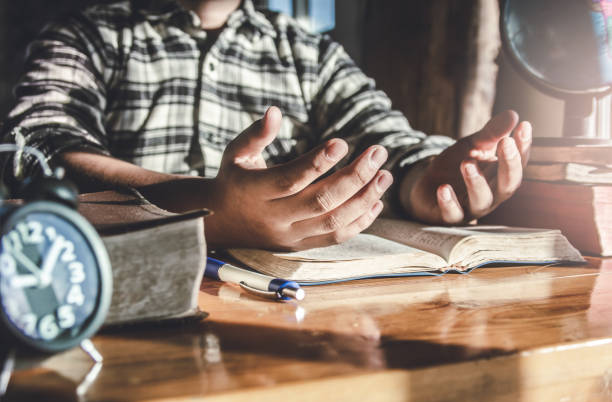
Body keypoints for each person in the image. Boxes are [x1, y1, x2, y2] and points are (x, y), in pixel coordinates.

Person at [1, 0, 532, 251]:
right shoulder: (86, 34)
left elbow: (384, 136)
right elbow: (40, 148)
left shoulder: (310, 54)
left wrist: (429, 180)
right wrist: (203, 206)